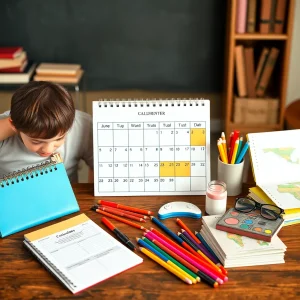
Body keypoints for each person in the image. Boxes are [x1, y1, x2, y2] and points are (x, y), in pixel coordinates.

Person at [0, 81, 94, 183]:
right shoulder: (7, 130)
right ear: (15, 126)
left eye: (59, 138)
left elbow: (98, 167)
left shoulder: (82, 125)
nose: (48, 150)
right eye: (36, 141)